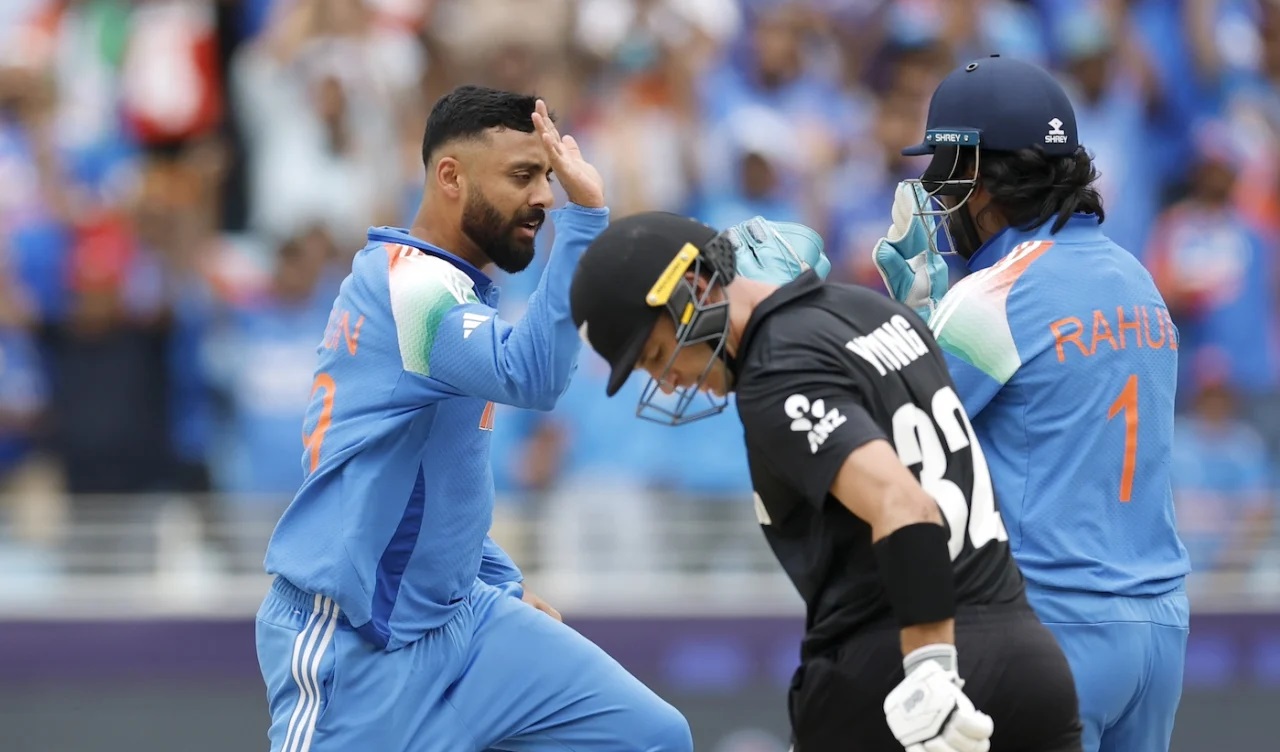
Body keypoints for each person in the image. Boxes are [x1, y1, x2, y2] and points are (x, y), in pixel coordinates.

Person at [254, 85, 693, 752]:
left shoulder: (447, 287)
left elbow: (432, 484)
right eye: (523, 176)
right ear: (450, 177)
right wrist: (586, 217)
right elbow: (532, 375)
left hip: (462, 618)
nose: (544, 197)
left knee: (651, 737)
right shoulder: (408, 286)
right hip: (359, 641)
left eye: (548, 178)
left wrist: (497, 580)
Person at [568, 211, 1083, 751]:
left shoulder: (774, 367)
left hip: (900, 667)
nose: (668, 382)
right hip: (1028, 663)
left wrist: (930, 669)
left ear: (695, 290)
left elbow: (904, 504)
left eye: (655, 355)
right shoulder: (876, 311)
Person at [856, 55, 1191, 752]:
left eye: (945, 172)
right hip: (1160, 626)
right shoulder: (1137, 278)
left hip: (1052, 626)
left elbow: (887, 443)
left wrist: (911, 319)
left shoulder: (990, 297)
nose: (938, 193)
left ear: (978, 178)